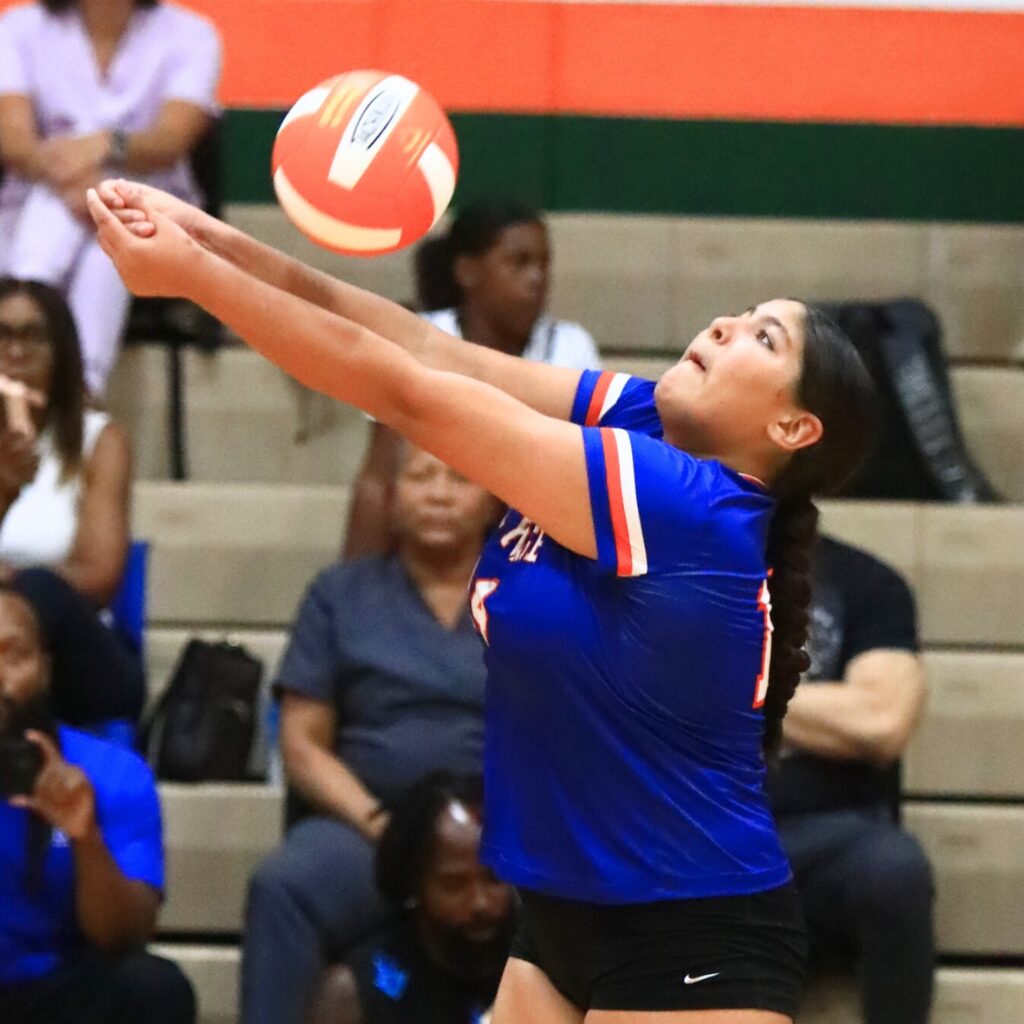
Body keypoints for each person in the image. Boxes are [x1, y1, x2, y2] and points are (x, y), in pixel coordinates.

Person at [89, 179, 878, 1024]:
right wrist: (213, 243)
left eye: (763, 337)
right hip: (562, 911)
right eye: (742, 313)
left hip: (691, 931)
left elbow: (407, 394)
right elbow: (431, 352)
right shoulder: (640, 416)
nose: (725, 325)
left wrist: (193, 281)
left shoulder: (688, 504)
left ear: (793, 429)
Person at [242, 444, 499, 1024]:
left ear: (491, 500)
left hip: (503, 830)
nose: (439, 494)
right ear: (391, 499)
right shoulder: (339, 596)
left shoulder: (531, 593)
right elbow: (302, 744)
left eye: (460, 478)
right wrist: (383, 827)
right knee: (283, 886)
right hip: (369, 828)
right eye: (421, 476)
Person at [344, 201, 601, 559]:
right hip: (431, 547)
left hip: (539, 546)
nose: (537, 278)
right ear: (468, 271)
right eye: (520, 263)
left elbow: (588, 481)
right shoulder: (419, 339)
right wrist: (355, 585)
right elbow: (379, 478)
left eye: (544, 264)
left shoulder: (571, 346)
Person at [0, 0, 221, 395]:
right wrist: (84, 185)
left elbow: (171, 140)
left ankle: (26, 354)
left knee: (111, 242)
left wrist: (106, 145)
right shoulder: (18, 28)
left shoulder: (192, 35)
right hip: (43, 197)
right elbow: (14, 140)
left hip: (145, 210)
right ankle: (82, 397)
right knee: (82, 226)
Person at [0, 586, 195, 1023]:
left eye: (14, 656)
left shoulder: (111, 772)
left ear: (45, 670)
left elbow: (126, 935)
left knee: (154, 987)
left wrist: (87, 838)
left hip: (53, 994)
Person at [768, 535, 933, 1024]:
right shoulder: (668, 570)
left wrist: (730, 688)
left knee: (894, 870)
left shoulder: (864, 581)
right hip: (692, 827)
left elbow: (881, 720)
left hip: (823, 838)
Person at [0, 278, 142, 731]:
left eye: (33, 336)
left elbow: (99, 576)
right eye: (2, 335)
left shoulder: (99, 441)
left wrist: (10, 580)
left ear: (61, 351)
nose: (15, 351)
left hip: (76, 656)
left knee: (39, 589)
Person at [310, 772, 515, 1024]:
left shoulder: (541, 967)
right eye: (453, 884)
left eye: (494, 878)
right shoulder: (355, 994)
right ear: (413, 883)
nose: (480, 902)